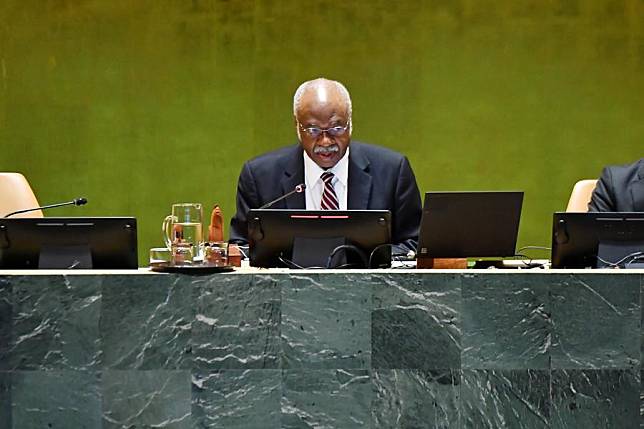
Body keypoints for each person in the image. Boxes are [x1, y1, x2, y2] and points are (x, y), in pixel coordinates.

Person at [229, 77, 422, 253]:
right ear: (297, 126)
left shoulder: (392, 171)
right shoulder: (259, 177)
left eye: (337, 128)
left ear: (351, 123)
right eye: (313, 130)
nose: (325, 142)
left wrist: (364, 263)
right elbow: (241, 248)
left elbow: (415, 242)